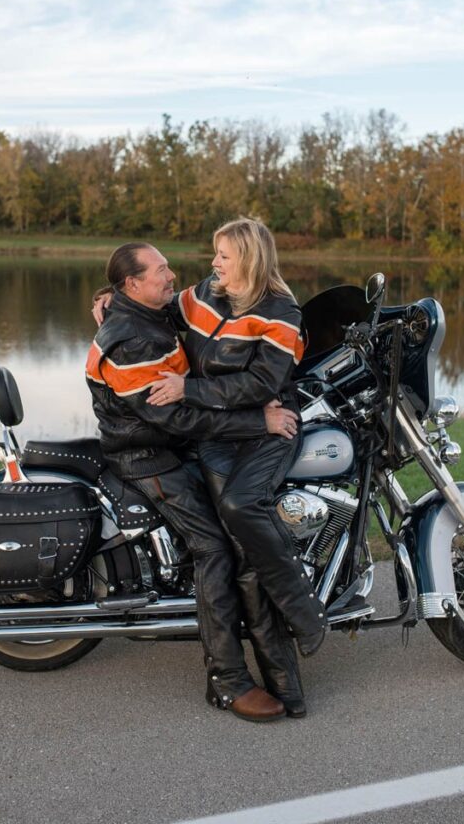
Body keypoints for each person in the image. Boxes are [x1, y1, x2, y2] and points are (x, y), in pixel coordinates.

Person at [93, 220, 327, 717]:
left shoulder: (279, 312)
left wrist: (120, 302)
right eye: (162, 269)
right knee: (223, 548)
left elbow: (261, 383)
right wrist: (116, 301)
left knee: (245, 550)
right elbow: (169, 406)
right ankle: (240, 669)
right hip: (186, 440)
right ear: (132, 283)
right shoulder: (200, 298)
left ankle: (287, 686)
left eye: (222, 255)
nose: (209, 265)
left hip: (241, 425)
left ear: (248, 259)